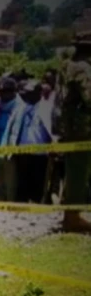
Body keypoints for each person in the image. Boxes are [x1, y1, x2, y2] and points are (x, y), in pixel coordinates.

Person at [60, 31, 91, 233]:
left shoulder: (68, 66)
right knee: (79, 171)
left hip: (72, 126)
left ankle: (71, 213)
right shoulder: (83, 68)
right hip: (83, 127)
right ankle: (72, 217)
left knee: (74, 171)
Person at [2, 80, 53, 203]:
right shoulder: (20, 109)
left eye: (29, 93)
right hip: (22, 152)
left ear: (39, 93)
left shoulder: (47, 109)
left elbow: (52, 130)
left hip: (40, 153)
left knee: (38, 183)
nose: (26, 96)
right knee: (22, 183)